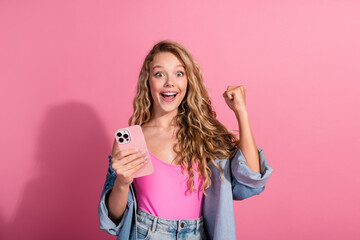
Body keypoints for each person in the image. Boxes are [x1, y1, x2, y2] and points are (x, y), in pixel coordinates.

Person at [98, 40, 273, 240]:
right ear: (148, 82)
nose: (169, 82)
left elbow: (252, 180)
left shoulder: (206, 136)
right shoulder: (134, 140)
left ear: (188, 81)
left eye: (179, 73)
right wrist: (121, 183)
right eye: (159, 74)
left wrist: (241, 112)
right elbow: (112, 220)